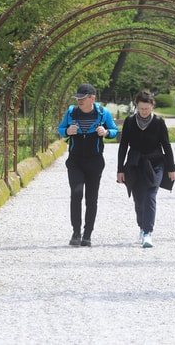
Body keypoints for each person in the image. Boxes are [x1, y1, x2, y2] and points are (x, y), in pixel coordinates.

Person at [57, 83, 119, 247]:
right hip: (75, 161)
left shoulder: (102, 113)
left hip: (95, 161)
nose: (79, 101)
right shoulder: (71, 112)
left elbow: (114, 130)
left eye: (82, 98)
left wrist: (106, 133)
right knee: (76, 194)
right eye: (77, 98)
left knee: (92, 199)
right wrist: (66, 131)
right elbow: (60, 128)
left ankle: (88, 234)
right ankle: (76, 232)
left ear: (92, 98)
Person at [117, 90, 175, 248]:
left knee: (150, 194)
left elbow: (166, 146)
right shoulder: (130, 122)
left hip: (155, 164)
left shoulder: (158, 122)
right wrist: (120, 170)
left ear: (152, 106)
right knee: (139, 200)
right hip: (135, 164)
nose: (144, 112)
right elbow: (123, 146)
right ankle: (142, 226)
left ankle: (147, 232)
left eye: (147, 108)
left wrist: (171, 168)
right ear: (136, 106)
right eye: (141, 108)